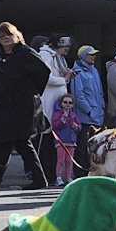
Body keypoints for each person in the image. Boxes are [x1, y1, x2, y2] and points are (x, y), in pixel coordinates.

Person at [0, 21, 50, 192]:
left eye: (9, 35)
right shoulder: (1, 56)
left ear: (16, 36)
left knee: (19, 141)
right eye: (2, 37)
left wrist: (32, 92)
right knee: (6, 143)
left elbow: (44, 71)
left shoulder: (25, 53)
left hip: (22, 106)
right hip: (5, 106)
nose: (6, 39)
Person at [37, 34, 76, 181]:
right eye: (65, 48)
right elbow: (45, 77)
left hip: (58, 103)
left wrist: (67, 76)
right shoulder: (45, 55)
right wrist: (64, 79)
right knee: (46, 140)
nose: (66, 51)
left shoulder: (59, 58)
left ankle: (55, 175)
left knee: (57, 144)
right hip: (49, 101)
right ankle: (44, 174)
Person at [71, 44, 104, 178]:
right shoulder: (77, 71)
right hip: (85, 117)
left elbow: (100, 92)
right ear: (84, 56)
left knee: (94, 147)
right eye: (91, 54)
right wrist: (89, 111)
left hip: (97, 115)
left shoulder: (94, 70)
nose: (94, 56)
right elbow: (78, 95)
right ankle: (80, 173)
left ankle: (91, 171)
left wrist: (100, 109)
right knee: (82, 147)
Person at [51, 93, 81, 186]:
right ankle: (59, 177)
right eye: (65, 102)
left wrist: (75, 126)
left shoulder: (73, 114)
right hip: (61, 141)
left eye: (70, 103)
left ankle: (68, 177)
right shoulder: (57, 114)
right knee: (60, 160)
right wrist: (63, 119)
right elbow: (56, 125)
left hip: (71, 141)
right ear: (61, 103)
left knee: (69, 161)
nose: (67, 104)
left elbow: (79, 126)